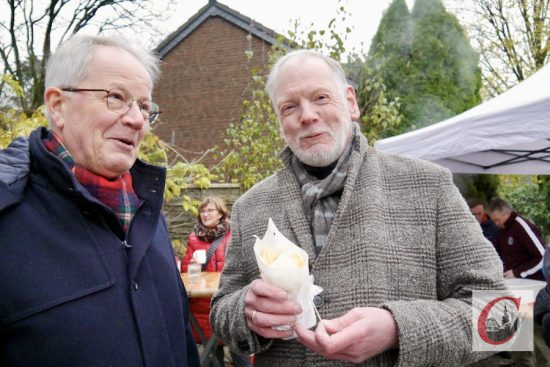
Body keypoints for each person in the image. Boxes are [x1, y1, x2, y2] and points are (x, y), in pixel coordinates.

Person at [210, 49, 505, 366]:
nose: (307, 115)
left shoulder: (430, 186)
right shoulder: (249, 207)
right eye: (289, 106)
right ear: (280, 120)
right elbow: (222, 309)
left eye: (321, 97)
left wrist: (397, 328)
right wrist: (246, 312)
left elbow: (506, 316)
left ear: (351, 102)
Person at [0, 35, 199, 366]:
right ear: (58, 105)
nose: (138, 120)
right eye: (116, 97)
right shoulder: (7, 221)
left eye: (145, 106)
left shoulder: (148, 216)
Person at [181, 196, 252, 367]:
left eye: (210, 210)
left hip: (231, 303)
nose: (205, 214)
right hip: (203, 305)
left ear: (220, 213)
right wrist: (192, 265)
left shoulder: (233, 235)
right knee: (213, 356)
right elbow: (184, 272)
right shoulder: (193, 238)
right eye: (202, 211)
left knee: (241, 353)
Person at [487, 197, 546, 280]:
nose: (496, 224)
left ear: (505, 213)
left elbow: (543, 256)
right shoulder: (503, 229)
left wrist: (517, 272)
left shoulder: (521, 226)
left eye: (497, 220)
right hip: (516, 281)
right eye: (494, 221)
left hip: (533, 283)